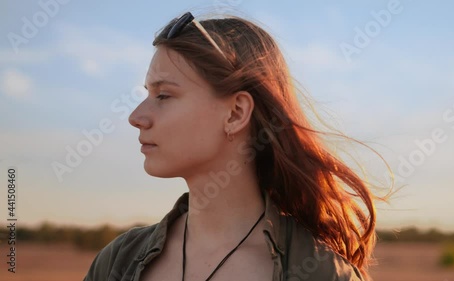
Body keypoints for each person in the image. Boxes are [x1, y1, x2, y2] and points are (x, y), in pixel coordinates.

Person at [83, 10, 380, 281]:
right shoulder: (117, 263)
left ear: (236, 113)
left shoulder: (322, 274)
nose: (136, 117)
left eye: (164, 96)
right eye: (148, 94)